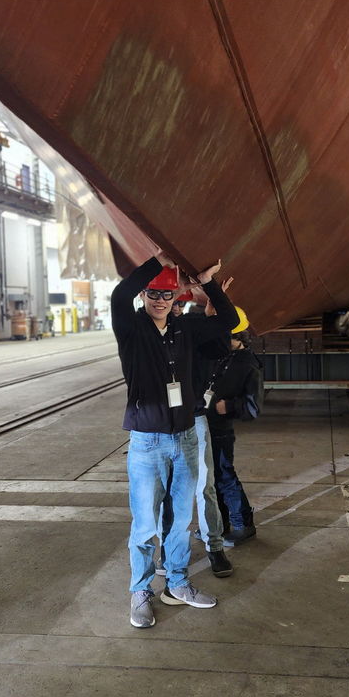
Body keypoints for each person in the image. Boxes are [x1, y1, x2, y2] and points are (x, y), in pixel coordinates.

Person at [111, 249, 238, 628]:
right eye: (153, 293)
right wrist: (157, 261)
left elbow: (229, 320)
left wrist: (207, 284)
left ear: (175, 299)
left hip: (184, 439)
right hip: (146, 442)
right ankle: (141, 591)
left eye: (167, 295)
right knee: (146, 525)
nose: (160, 300)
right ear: (144, 295)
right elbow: (119, 294)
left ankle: (177, 584)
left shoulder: (185, 329)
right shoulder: (131, 329)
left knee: (181, 520)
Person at [160, 281, 234, 578]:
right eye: (169, 300)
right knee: (167, 492)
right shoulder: (151, 333)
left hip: (194, 419)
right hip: (161, 425)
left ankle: (214, 547)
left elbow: (222, 339)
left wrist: (213, 305)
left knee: (205, 487)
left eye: (178, 302)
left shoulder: (195, 328)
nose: (173, 307)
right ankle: (168, 552)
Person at [207, 318, 262, 545]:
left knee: (224, 475)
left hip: (221, 428)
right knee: (213, 479)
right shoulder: (224, 355)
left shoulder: (247, 363)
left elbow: (253, 407)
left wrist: (228, 406)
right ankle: (220, 525)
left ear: (237, 337)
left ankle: (243, 524)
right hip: (206, 425)